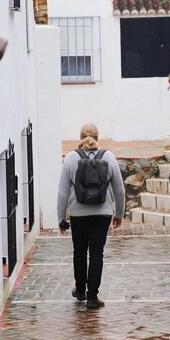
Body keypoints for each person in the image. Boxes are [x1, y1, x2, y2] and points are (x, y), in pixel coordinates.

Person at [57, 123, 125, 309]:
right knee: (97, 253)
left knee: (79, 251)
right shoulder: (109, 157)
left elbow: (63, 192)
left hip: (78, 214)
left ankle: (80, 290)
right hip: (102, 214)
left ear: (80, 136)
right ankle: (93, 297)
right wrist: (119, 214)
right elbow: (119, 189)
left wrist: (61, 218)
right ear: (98, 136)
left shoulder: (70, 158)